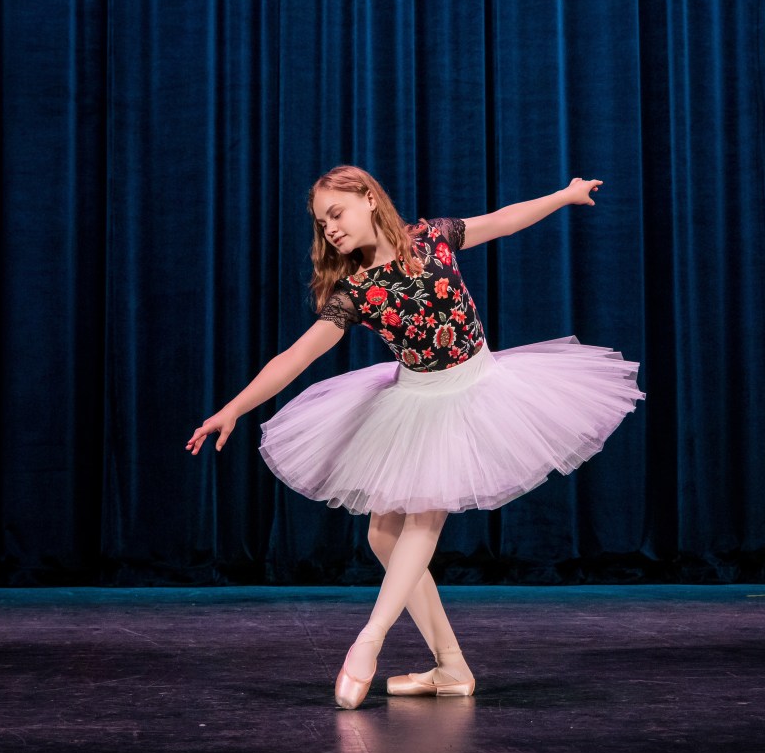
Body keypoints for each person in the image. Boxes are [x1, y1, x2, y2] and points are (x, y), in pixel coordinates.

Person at [186, 165, 645, 709]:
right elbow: (294, 357)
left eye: (337, 213)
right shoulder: (356, 292)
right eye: (321, 223)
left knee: (422, 516)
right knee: (383, 537)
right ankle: (450, 665)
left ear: (368, 200)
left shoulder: (434, 237)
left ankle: (368, 643)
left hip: (472, 389)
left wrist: (564, 195)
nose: (330, 229)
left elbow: (503, 221)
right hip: (415, 397)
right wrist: (233, 409)